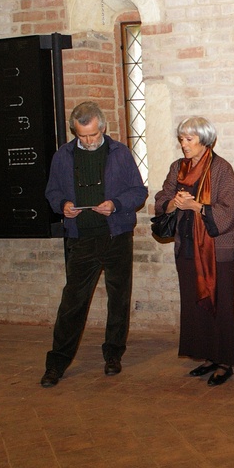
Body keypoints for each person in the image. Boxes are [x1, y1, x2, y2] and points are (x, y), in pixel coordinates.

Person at [40, 101, 148, 387]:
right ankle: (56, 363)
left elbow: (139, 191)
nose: (88, 141)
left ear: (103, 128)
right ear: (74, 132)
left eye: (92, 135)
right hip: (81, 238)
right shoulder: (63, 156)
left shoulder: (120, 153)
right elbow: (52, 191)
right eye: (82, 136)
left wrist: (116, 204)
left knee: (119, 298)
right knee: (72, 302)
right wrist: (63, 205)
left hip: (116, 236)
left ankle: (113, 354)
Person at [154, 117, 234, 386]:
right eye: (181, 139)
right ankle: (208, 356)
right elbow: (162, 198)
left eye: (189, 139)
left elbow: (230, 210)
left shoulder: (221, 169)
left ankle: (224, 362)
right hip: (187, 247)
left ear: (205, 140)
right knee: (195, 305)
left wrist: (196, 207)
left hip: (216, 250)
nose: (184, 144)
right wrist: (174, 203)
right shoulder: (177, 168)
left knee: (220, 305)